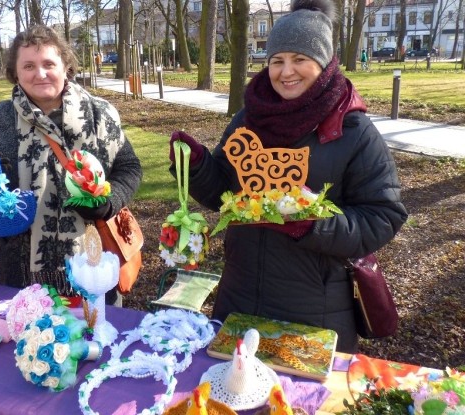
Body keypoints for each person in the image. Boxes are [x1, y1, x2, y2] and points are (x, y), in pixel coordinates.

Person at [168, 0, 407, 353]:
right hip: (240, 296)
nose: (286, 71)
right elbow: (225, 193)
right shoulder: (248, 119)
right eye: (277, 61)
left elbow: (383, 216)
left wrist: (312, 224)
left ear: (323, 64)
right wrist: (198, 164)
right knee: (231, 398)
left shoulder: (353, 130)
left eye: (300, 59)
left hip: (315, 308)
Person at [0, 25, 142, 305]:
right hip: (20, 274)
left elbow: (129, 167)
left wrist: (109, 201)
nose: (39, 74)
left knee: (93, 341)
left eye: (48, 64)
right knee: (31, 343)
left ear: (66, 66)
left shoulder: (100, 114)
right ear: (15, 72)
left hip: (93, 262)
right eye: (28, 65)